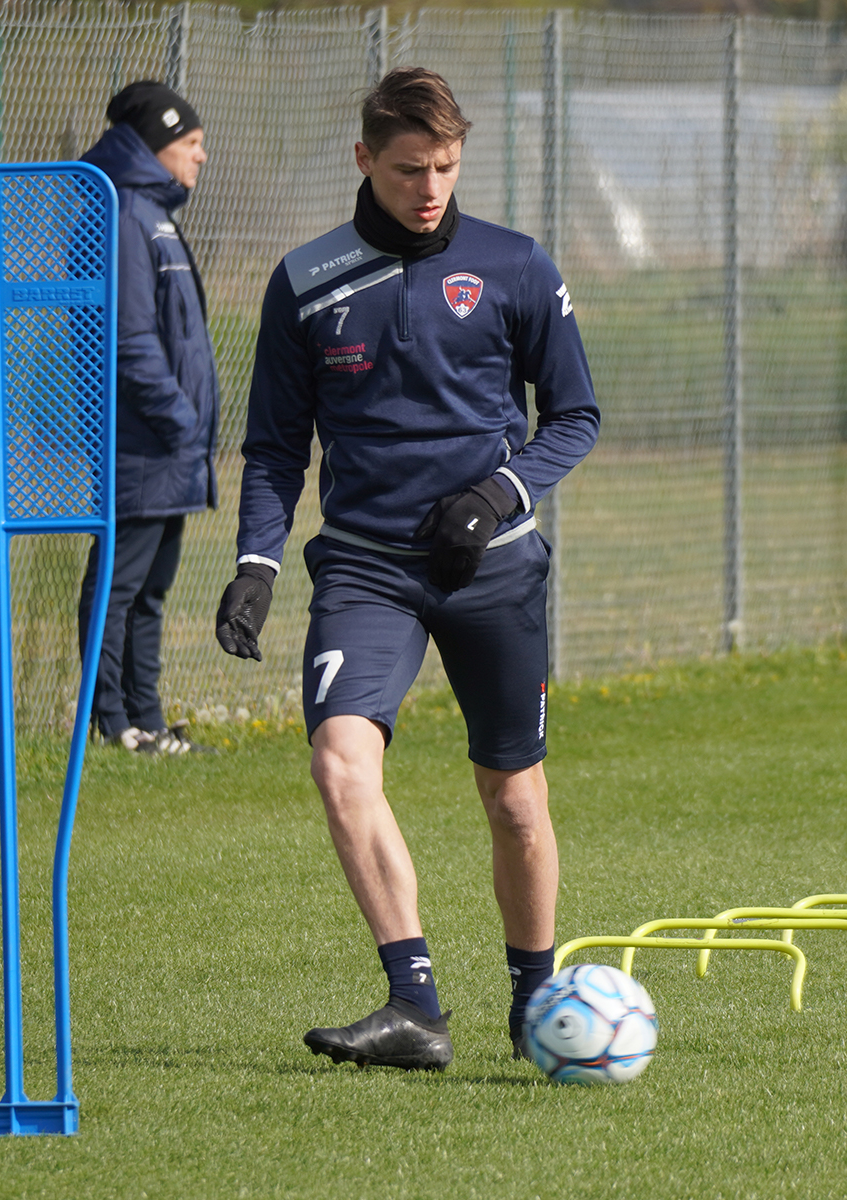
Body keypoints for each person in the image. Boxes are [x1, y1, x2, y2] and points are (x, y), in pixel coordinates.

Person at [216, 67, 599, 1069]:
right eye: (406, 170)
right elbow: (271, 447)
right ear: (362, 161)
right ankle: (413, 1004)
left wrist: (498, 496)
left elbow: (574, 418)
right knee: (340, 767)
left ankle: (532, 1000)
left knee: (513, 796)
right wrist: (257, 561)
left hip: (496, 571)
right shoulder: (307, 280)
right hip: (367, 572)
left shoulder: (514, 266)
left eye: (445, 168)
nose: (429, 189)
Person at [78, 80, 218, 756]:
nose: (201, 157)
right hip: (141, 441)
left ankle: (148, 720)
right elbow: (128, 340)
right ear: (158, 144)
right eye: (191, 144)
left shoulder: (153, 212)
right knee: (119, 585)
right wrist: (179, 419)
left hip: (167, 445)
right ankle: (108, 725)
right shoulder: (125, 213)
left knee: (152, 589)